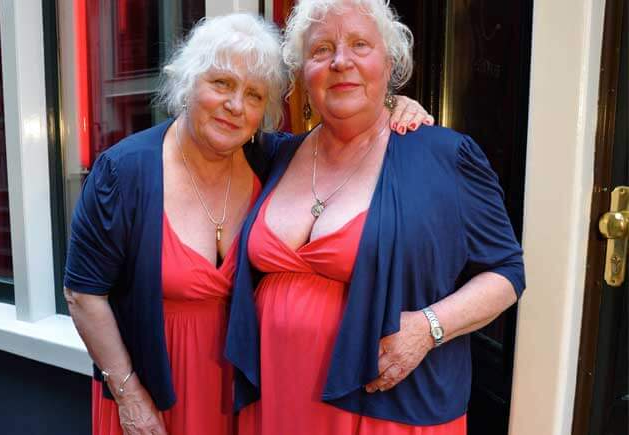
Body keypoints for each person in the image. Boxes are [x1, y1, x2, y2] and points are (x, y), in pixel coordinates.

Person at [63, 12, 432, 435]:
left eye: (254, 95)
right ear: (189, 83)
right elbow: (82, 293)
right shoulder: (124, 172)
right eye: (221, 83)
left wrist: (393, 105)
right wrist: (128, 394)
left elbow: (346, 136)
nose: (235, 106)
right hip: (152, 394)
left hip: (243, 395)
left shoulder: (272, 161)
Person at [225, 1, 526, 434]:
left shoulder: (445, 157)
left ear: (390, 62)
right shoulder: (275, 154)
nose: (340, 61)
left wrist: (428, 327)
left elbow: (507, 272)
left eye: (359, 45)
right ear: (302, 73)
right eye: (321, 49)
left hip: (387, 407)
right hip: (278, 397)